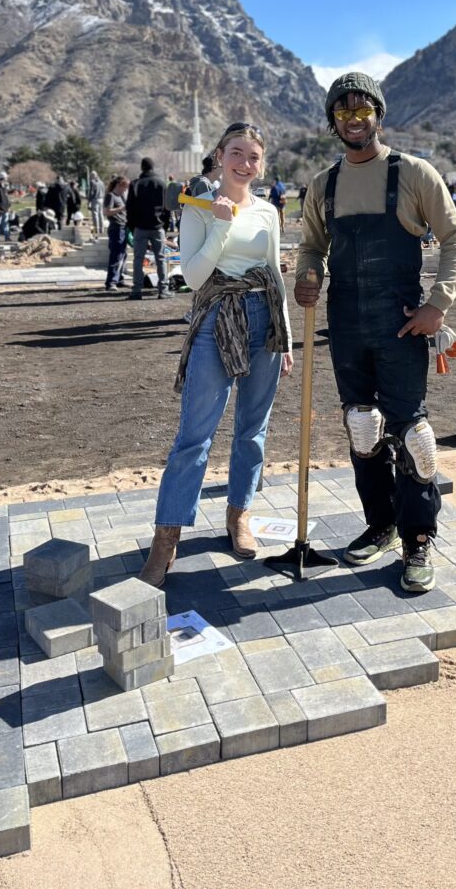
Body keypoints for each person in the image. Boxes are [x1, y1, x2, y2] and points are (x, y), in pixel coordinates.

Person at [296, 71, 456, 594]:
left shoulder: (415, 174)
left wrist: (437, 305)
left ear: (378, 114)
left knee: (413, 434)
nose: (353, 120)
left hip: (401, 321)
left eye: (361, 110)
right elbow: (311, 247)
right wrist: (308, 276)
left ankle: (418, 537)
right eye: (343, 113)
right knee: (362, 427)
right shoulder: (323, 186)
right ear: (333, 122)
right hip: (346, 321)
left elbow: (455, 238)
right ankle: (382, 523)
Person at [139, 123, 293, 584]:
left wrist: (284, 336)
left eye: (254, 157)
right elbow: (192, 276)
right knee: (195, 436)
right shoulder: (198, 207)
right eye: (237, 154)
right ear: (220, 155)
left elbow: (272, 273)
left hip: (263, 318)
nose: (245, 164)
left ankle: (238, 514)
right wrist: (222, 227)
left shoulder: (267, 211)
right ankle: (166, 539)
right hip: (215, 318)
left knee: (253, 429)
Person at [126, 157, 172, 300]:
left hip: (140, 227)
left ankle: (136, 290)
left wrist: (132, 227)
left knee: (138, 259)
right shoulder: (161, 183)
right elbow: (168, 207)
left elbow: (130, 208)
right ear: (153, 167)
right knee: (160, 258)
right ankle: (163, 289)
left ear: (142, 168)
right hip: (157, 226)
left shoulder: (135, 184)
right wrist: (164, 225)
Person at [103, 175, 130, 290]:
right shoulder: (111, 196)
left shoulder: (122, 196)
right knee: (116, 254)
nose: (126, 190)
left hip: (124, 227)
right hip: (116, 228)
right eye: (125, 187)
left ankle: (119, 278)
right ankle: (111, 282)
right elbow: (107, 212)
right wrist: (121, 209)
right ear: (119, 185)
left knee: (123, 255)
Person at [87, 171, 105, 237]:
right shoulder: (101, 182)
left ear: (92, 176)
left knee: (95, 215)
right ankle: (102, 229)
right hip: (101, 199)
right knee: (101, 214)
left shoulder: (92, 182)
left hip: (95, 199)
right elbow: (104, 190)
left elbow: (91, 193)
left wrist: (89, 201)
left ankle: (96, 230)